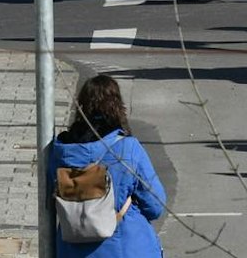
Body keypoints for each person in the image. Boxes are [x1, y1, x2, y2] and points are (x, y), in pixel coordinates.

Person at [46, 74, 166, 257]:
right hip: (126, 247)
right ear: (117, 106)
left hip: (71, 249)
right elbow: (155, 205)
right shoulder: (127, 148)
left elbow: (50, 199)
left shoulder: (61, 152)